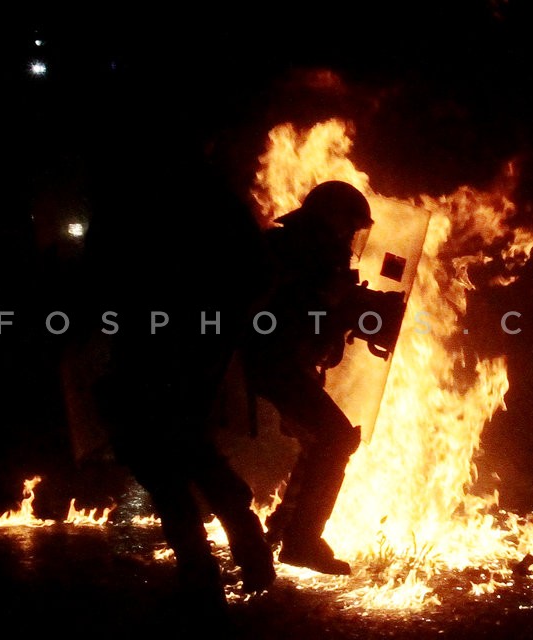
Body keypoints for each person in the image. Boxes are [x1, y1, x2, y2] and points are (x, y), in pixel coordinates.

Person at [82, 142, 276, 621]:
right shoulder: (207, 192)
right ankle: (244, 556)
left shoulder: (134, 196)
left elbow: (99, 270)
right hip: (182, 340)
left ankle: (206, 574)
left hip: (158, 341)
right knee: (183, 447)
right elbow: (256, 267)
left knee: (160, 453)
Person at [240, 180, 373, 576]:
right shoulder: (296, 251)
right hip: (268, 361)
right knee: (335, 437)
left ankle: (286, 529)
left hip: (276, 362)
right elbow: (282, 312)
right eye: (348, 225)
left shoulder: (296, 247)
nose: (351, 236)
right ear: (331, 219)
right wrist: (333, 302)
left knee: (322, 438)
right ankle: (301, 541)